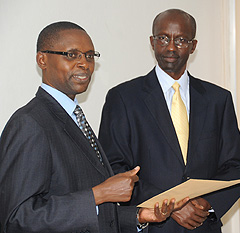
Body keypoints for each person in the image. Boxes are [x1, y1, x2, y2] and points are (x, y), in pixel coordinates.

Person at [0, 21, 188, 233]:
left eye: (89, 56)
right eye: (72, 55)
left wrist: (139, 215)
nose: (84, 64)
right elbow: (17, 219)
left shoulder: (74, 117)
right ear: (42, 59)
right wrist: (99, 194)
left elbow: (90, 212)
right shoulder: (29, 123)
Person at [99, 9, 240, 233]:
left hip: (202, 226)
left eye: (180, 40)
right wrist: (171, 205)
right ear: (152, 42)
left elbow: (237, 168)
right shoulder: (123, 98)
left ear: (193, 45)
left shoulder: (218, 99)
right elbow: (113, 168)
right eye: (163, 38)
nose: (171, 47)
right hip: (151, 227)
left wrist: (206, 203)